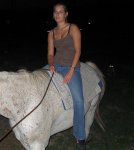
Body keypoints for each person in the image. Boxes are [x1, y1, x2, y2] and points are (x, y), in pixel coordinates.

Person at [46, 2, 86, 149]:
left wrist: (70, 71)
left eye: (61, 11)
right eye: (55, 12)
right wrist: (51, 64)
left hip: (71, 66)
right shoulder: (51, 33)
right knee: (35, 78)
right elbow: (50, 54)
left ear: (66, 14)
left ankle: (80, 136)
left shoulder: (73, 28)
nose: (58, 14)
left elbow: (78, 51)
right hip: (55, 65)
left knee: (79, 101)